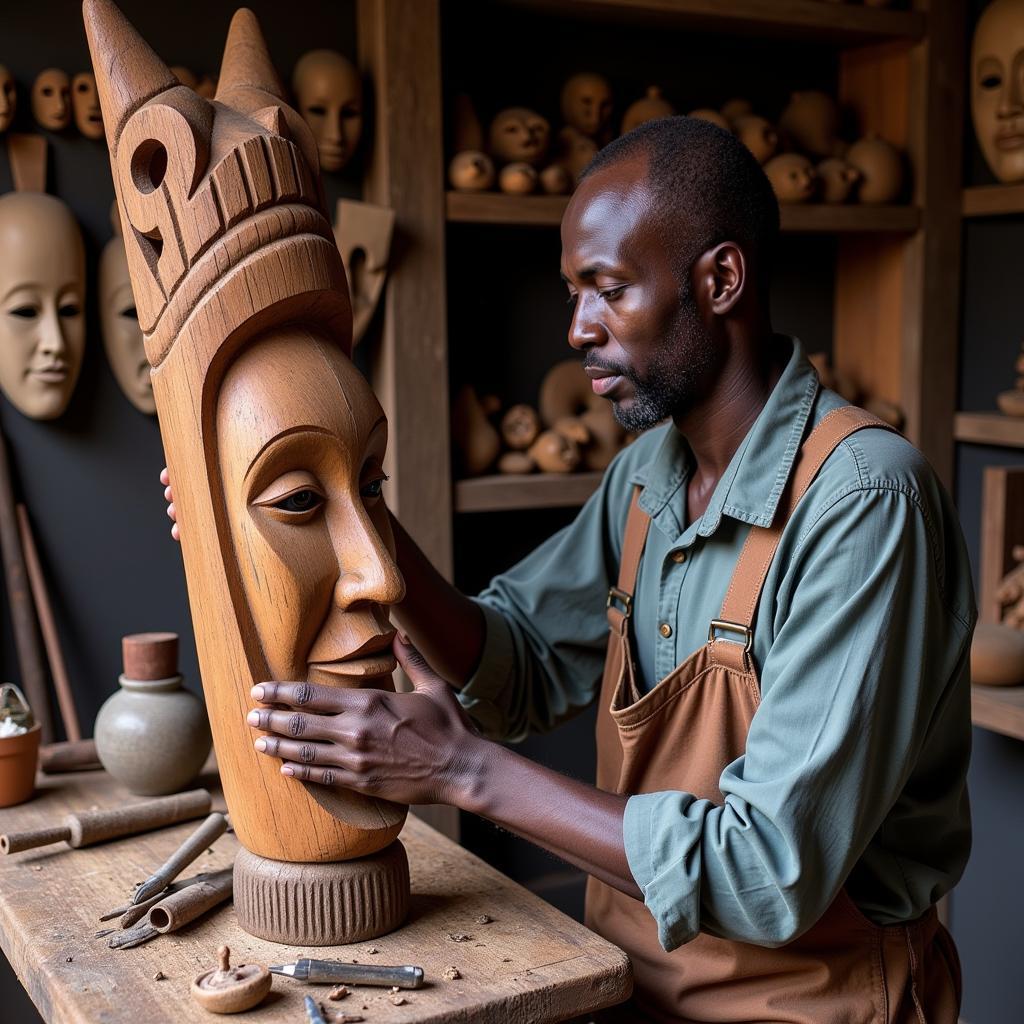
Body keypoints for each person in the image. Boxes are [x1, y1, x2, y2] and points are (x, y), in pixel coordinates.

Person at [163, 117, 974, 1022]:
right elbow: (518, 665)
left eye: (608, 289)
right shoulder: (648, 476)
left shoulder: (865, 503)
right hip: (627, 982)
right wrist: (347, 506)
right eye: (572, 292)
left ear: (721, 280)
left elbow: (766, 873)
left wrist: (460, 770)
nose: (578, 329)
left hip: (820, 1003)